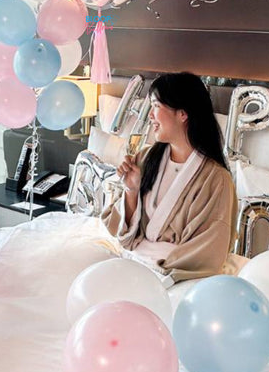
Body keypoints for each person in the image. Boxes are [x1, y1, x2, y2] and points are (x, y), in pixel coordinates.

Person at [101, 72, 237, 282]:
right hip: (133, 260)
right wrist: (131, 191)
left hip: (174, 274)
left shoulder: (217, 180)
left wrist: (159, 270)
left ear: (183, 113)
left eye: (156, 106)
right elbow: (124, 235)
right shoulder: (145, 158)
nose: (150, 116)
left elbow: (209, 249)